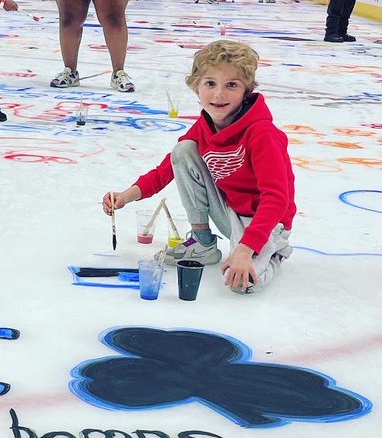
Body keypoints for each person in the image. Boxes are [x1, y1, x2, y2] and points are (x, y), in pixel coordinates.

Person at [102, 39, 295, 294]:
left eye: (232, 85)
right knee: (183, 151)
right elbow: (166, 170)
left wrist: (246, 249)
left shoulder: (263, 134)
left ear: (246, 90)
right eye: (210, 83)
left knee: (243, 285)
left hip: (266, 222)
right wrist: (126, 196)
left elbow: (277, 198)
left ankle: (273, 251)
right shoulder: (204, 127)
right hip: (229, 211)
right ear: (196, 86)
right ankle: (202, 242)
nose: (218, 95)